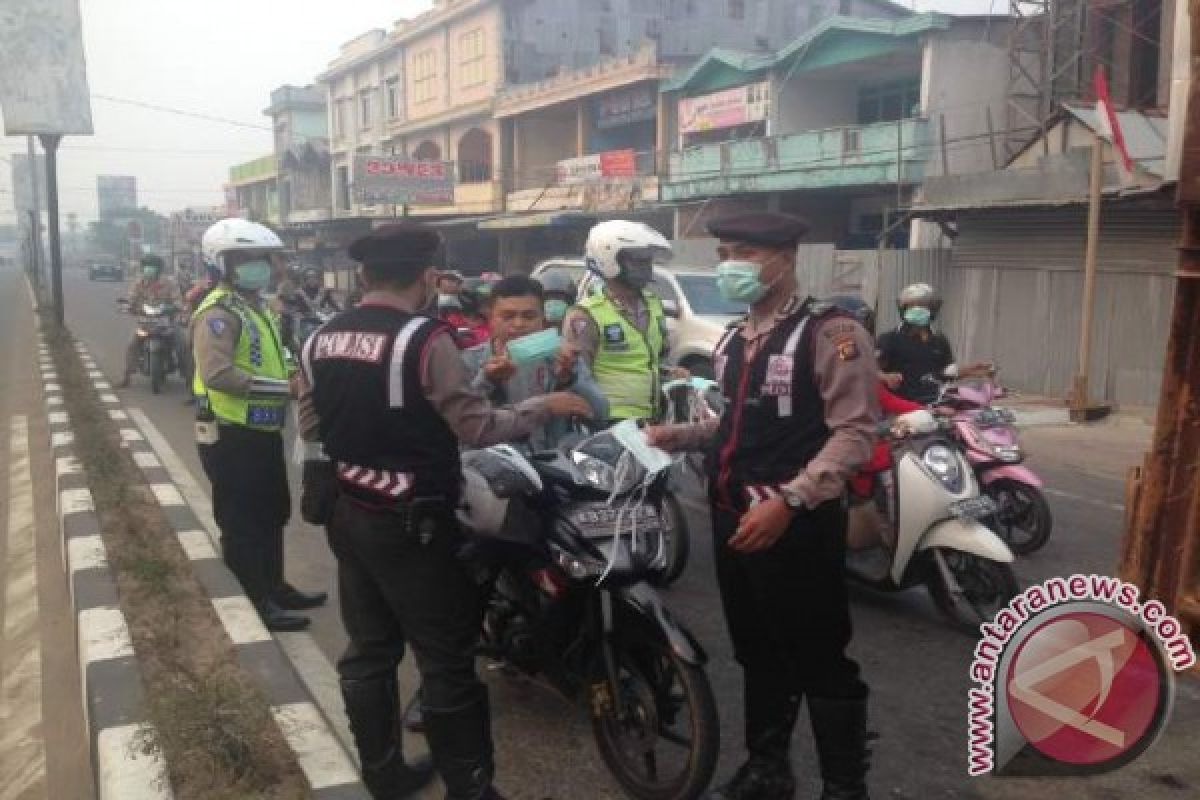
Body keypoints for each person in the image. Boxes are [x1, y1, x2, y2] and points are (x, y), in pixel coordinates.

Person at [295, 222, 593, 800]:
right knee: (446, 660)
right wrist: (541, 405)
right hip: (415, 521)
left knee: (370, 649)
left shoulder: (319, 338)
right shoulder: (424, 340)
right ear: (427, 277)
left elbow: (311, 426)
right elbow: (477, 427)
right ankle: (473, 791)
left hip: (348, 512)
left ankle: (384, 774)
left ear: (361, 276)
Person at [646, 213, 879, 800]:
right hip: (733, 518)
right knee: (758, 650)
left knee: (820, 654)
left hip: (793, 525)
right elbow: (737, 423)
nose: (730, 264)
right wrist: (680, 437)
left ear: (784, 258)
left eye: (744, 252)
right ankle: (767, 769)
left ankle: (845, 786)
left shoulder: (831, 332)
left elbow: (853, 434)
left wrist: (791, 500)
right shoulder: (734, 336)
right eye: (724, 251)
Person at [191, 218, 327, 633]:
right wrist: (283, 387)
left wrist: (297, 374)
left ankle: (274, 586)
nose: (261, 266)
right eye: (248, 259)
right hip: (231, 433)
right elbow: (217, 374)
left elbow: (278, 356)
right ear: (224, 263)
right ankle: (253, 602)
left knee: (271, 512)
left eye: (263, 258)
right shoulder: (217, 312)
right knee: (242, 520)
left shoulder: (257, 307)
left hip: (262, 430)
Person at [463, 275, 607, 451]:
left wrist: (570, 379)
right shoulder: (469, 361)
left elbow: (600, 413)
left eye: (529, 316)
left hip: (554, 465)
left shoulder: (561, 356)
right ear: (491, 318)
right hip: (495, 465)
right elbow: (462, 421)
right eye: (507, 316)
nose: (518, 324)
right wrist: (487, 380)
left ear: (542, 318)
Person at [562, 220, 674, 422]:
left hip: (651, 420)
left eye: (647, 261)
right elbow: (577, 375)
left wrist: (673, 374)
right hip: (608, 422)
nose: (646, 268)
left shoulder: (654, 304)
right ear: (609, 259)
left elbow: (655, 360)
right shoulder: (585, 314)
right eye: (637, 261)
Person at [876, 283, 990, 404]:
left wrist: (969, 371)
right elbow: (870, 370)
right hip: (900, 407)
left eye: (923, 306)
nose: (918, 309)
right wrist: (886, 377)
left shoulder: (939, 340)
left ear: (933, 310)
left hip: (934, 405)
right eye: (912, 306)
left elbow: (945, 374)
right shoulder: (889, 339)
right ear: (903, 309)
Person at [118, 254, 181, 388]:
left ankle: (189, 380)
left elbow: (178, 301)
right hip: (145, 323)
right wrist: (129, 307)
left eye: (152, 267)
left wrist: (173, 307)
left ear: (159, 269)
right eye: (146, 266)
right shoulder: (138, 283)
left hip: (166, 323)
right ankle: (126, 377)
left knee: (183, 345)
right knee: (132, 345)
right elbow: (131, 299)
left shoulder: (170, 283)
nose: (149, 269)